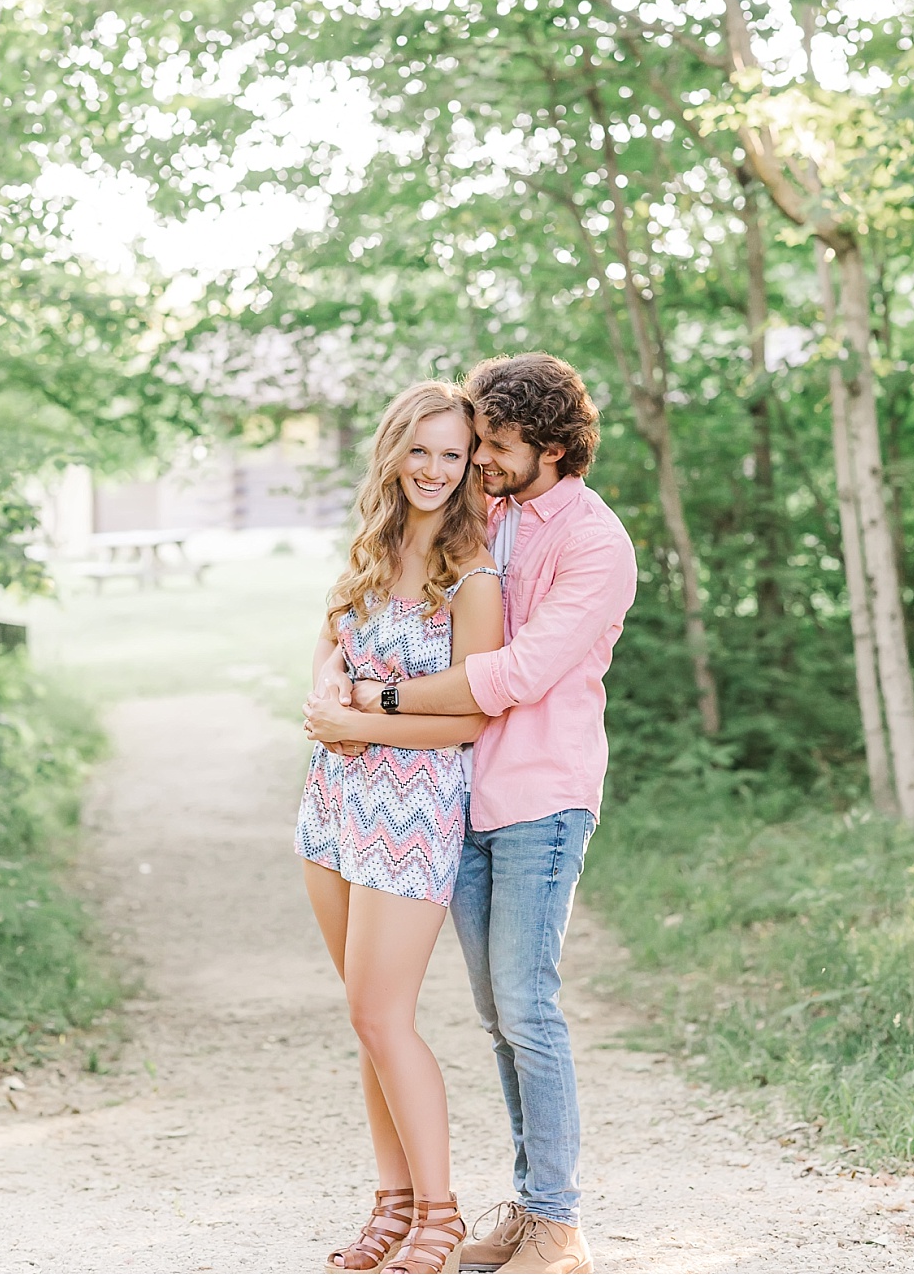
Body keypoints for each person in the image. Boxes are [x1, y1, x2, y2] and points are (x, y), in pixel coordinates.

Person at [325, 352, 637, 1275]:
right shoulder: (488, 512)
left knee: (529, 1008)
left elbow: (513, 676)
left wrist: (376, 702)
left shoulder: (595, 543)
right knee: (498, 1014)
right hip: (459, 795)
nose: (481, 460)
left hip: (541, 796)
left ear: (551, 447)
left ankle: (559, 1224)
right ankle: (528, 1206)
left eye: (497, 446)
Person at [298, 381, 503, 1274]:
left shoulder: (476, 576)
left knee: (388, 1014)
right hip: (334, 805)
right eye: (419, 450)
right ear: (394, 453)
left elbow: (465, 720)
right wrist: (327, 700)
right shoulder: (369, 556)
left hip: (415, 813)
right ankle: (393, 1203)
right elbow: (326, 667)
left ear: (469, 468)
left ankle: (442, 1213)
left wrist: (356, 722)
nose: (432, 468)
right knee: (363, 1017)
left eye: (451, 454)